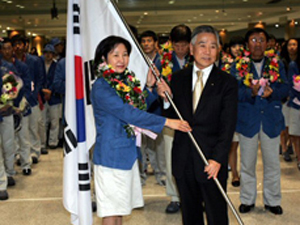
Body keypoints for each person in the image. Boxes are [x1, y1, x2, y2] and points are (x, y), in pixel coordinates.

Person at [91, 35, 191, 225]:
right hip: (111, 157)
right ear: (104, 59)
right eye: (115, 55)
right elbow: (128, 113)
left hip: (126, 155)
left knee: (119, 210)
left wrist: (150, 88)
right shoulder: (102, 86)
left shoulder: (124, 82)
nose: (122, 60)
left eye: (125, 54)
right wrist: (167, 122)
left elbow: (138, 106)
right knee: (111, 213)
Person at [157, 25, 238, 225]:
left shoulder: (227, 82)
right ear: (192, 49)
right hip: (183, 158)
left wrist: (218, 159)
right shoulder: (178, 78)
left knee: (216, 213)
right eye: (202, 45)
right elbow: (171, 115)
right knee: (190, 214)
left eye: (213, 46)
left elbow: (228, 126)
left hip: (211, 161)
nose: (207, 51)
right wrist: (165, 99)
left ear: (218, 50)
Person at [231, 28, 288, 215]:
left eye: (261, 40)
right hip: (248, 121)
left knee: (272, 163)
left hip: (270, 120)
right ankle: (247, 199)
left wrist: (274, 94)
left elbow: (285, 89)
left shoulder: (276, 64)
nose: (257, 43)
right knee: (247, 163)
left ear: (267, 43)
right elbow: (232, 92)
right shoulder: (238, 65)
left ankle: (272, 201)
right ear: (247, 44)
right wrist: (250, 93)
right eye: (254, 40)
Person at [156, 24, 193, 214]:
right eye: (177, 45)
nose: (180, 49)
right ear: (171, 44)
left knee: (194, 159)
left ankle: (195, 196)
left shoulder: (196, 60)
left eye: (184, 45)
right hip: (171, 117)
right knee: (172, 158)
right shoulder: (162, 61)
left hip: (194, 118)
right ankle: (175, 197)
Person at [140, 30, 166, 186]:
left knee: (158, 146)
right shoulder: (137, 60)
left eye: (149, 41)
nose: (146, 44)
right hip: (143, 107)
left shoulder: (163, 61)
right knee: (142, 145)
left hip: (159, 108)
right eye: (143, 41)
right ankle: (141, 175)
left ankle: (161, 174)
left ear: (156, 43)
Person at [228, 35, 245, 187]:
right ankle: (234, 173)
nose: (237, 49)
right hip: (229, 109)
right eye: (234, 46)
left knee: (244, 144)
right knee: (232, 144)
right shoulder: (224, 64)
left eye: (240, 46)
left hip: (244, 109)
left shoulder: (247, 63)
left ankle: (243, 172)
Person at [287, 55, 300, 170]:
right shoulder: (293, 65)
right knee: (296, 133)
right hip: (296, 103)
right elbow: (291, 84)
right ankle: (299, 158)